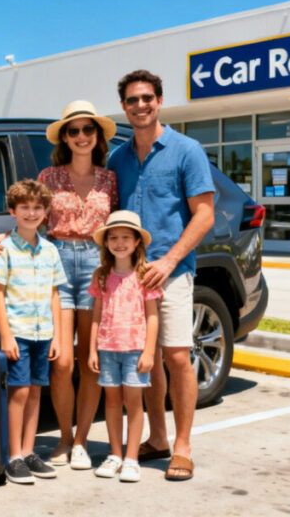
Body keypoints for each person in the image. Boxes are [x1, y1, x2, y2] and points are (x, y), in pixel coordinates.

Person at [0, 100, 118, 470]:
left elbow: (120, 228)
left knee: (89, 362)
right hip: (56, 262)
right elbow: (30, 219)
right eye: (73, 130)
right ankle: (63, 437)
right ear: (65, 136)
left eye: (88, 129)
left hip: (97, 264)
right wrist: (2, 237)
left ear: (97, 136)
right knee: (61, 361)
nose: (81, 136)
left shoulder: (110, 179)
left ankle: (81, 442)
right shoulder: (48, 176)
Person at [107, 70, 215, 481]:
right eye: (132, 100)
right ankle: (157, 438)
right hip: (128, 277)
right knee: (143, 362)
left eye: (147, 98)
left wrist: (169, 261)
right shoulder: (118, 158)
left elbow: (203, 213)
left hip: (171, 273)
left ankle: (183, 446)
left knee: (175, 355)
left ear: (160, 100)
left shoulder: (187, 150)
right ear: (123, 106)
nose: (140, 106)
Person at [0, 179, 68, 485]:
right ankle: (14, 456)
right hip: (18, 332)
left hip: (43, 333)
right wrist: (6, 335)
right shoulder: (4, 249)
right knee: (19, 392)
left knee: (35, 391)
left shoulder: (50, 251)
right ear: (12, 211)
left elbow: (54, 295)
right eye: (25, 208)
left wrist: (58, 336)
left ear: (46, 212)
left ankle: (30, 451)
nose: (31, 213)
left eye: (37, 208)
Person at [86, 210, 160, 483]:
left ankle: (131, 459)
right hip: (107, 349)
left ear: (137, 241)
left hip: (135, 350)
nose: (119, 242)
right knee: (112, 403)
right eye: (113, 237)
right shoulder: (101, 276)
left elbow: (153, 315)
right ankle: (115, 454)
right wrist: (93, 349)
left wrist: (149, 351)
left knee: (134, 403)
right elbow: (96, 315)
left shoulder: (144, 275)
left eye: (125, 237)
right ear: (105, 242)